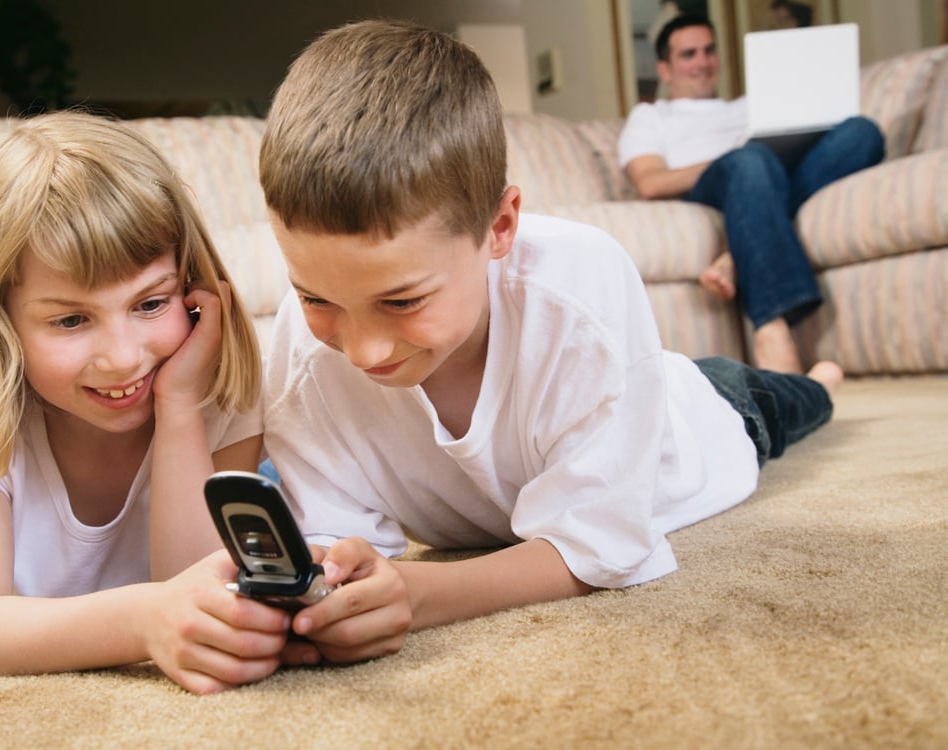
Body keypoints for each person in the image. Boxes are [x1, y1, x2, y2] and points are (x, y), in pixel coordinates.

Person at [256, 19, 845, 667]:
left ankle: (822, 378)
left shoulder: (580, 285)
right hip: (621, 392)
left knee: (795, 399)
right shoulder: (300, 350)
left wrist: (420, 595)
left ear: (500, 226)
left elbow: (599, 547)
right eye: (316, 297)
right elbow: (334, 541)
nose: (364, 351)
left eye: (403, 300)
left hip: (710, 411)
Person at [0, 111, 293, 695]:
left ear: (187, 283)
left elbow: (195, 585)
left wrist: (180, 406)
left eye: (151, 304)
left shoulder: (210, 386)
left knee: (275, 500)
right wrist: (143, 621)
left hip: (189, 436)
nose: (123, 358)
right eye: (71, 319)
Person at [616, 14, 884, 373]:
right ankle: (771, 325)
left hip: (765, 178)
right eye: (689, 54)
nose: (703, 62)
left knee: (862, 133)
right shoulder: (650, 116)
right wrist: (733, 156)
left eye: (709, 51)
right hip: (713, 185)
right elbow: (650, 182)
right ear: (665, 69)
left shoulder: (747, 106)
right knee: (751, 159)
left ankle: (735, 257)